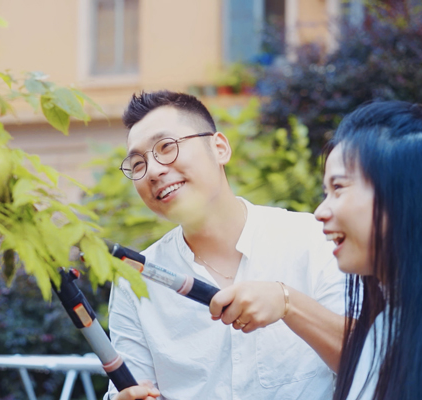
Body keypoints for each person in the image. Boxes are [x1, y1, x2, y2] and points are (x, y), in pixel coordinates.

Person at [106, 90, 349, 400]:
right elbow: (129, 387)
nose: (153, 171)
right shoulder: (134, 279)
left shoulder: (313, 240)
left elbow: (368, 360)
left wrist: (288, 302)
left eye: (166, 147)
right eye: (137, 163)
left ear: (219, 148)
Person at [311, 101, 422, 400]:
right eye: (325, 192)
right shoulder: (380, 327)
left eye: (338, 188)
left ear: (405, 198)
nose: (320, 211)